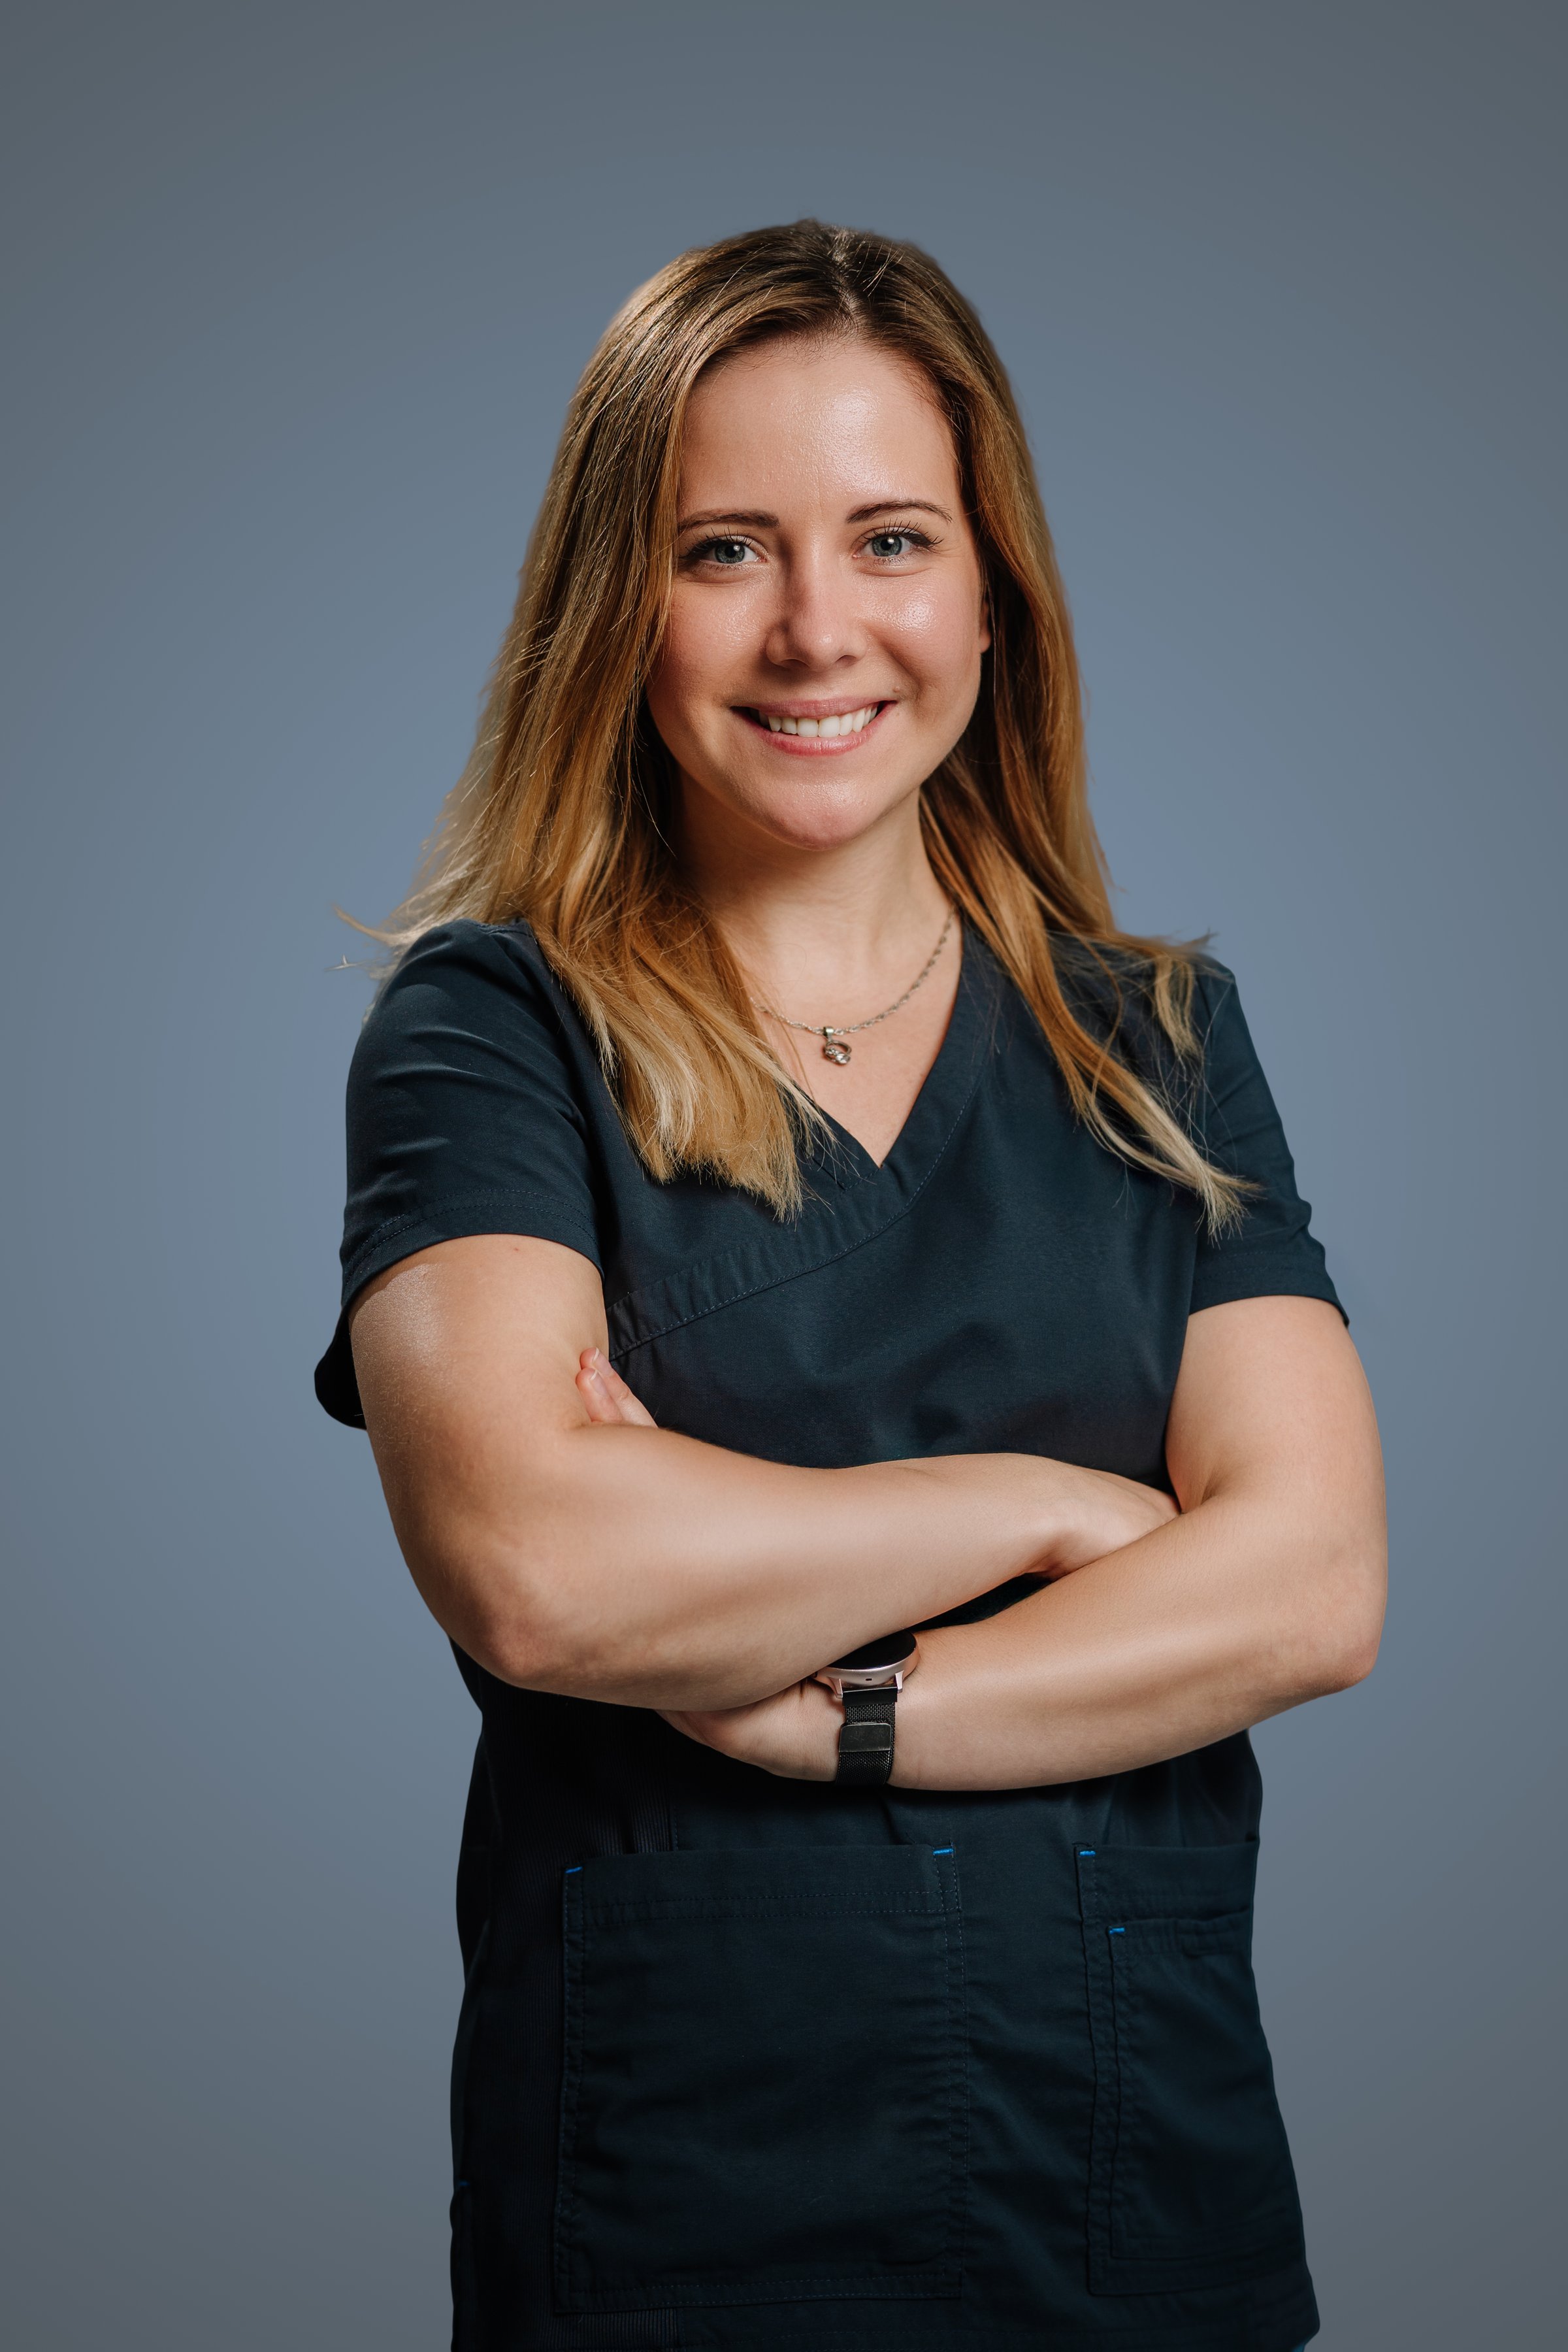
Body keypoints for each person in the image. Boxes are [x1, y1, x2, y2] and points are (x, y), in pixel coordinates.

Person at [316, 219, 1384, 2352]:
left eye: (891, 538)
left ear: (994, 594)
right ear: (616, 607)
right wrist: (1056, 1514)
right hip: (673, 2193)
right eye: (725, 549)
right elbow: (537, 1568)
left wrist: (833, 1724)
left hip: (1137, 2181)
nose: (818, 631)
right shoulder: (495, 1032)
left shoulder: (1157, 1039)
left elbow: (1310, 1589)